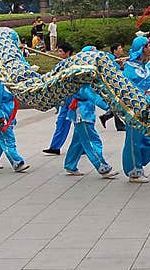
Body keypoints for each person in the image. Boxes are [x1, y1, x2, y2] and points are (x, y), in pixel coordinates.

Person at [63, 47, 120, 179]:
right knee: (92, 139)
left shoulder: (86, 74)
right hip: (81, 112)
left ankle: (70, 165)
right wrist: (107, 106)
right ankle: (102, 167)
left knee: (78, 140)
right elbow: (90, 94)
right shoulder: (80, 76)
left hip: (85, 110)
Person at [122, 36, 150, 183]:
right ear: (140, 48)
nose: (149, 48)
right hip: (134, 107)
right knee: (134, 139)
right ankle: (134, 170)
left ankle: (140, 163)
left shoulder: (145, 66)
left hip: (147, 105)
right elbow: (125, 89)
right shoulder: (129, 68)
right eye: (147, 46)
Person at [0, 77, 30, 172]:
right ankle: (17, 162)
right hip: (2, 117)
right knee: (8, 140)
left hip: (9, 115)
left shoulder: (9, 81)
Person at [43, 43, 75, 155]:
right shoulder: (62, 64)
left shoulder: (74, 64)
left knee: (80, 125)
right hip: (66, 98)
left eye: (61, 51)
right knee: (61, 121)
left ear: (68, 53)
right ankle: (55, 147)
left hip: (76, 98)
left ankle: (82, 147)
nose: (59, 53)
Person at [99, 44, 127, 131]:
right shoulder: (111, 59)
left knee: (117, 104)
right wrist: (121, 67)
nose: (121, 50)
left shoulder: (116, 59)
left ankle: (106, 117)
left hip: (116, 85)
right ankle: (118, 124)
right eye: (119, 48)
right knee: (117, 104)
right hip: (112, 85)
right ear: (114, 50)